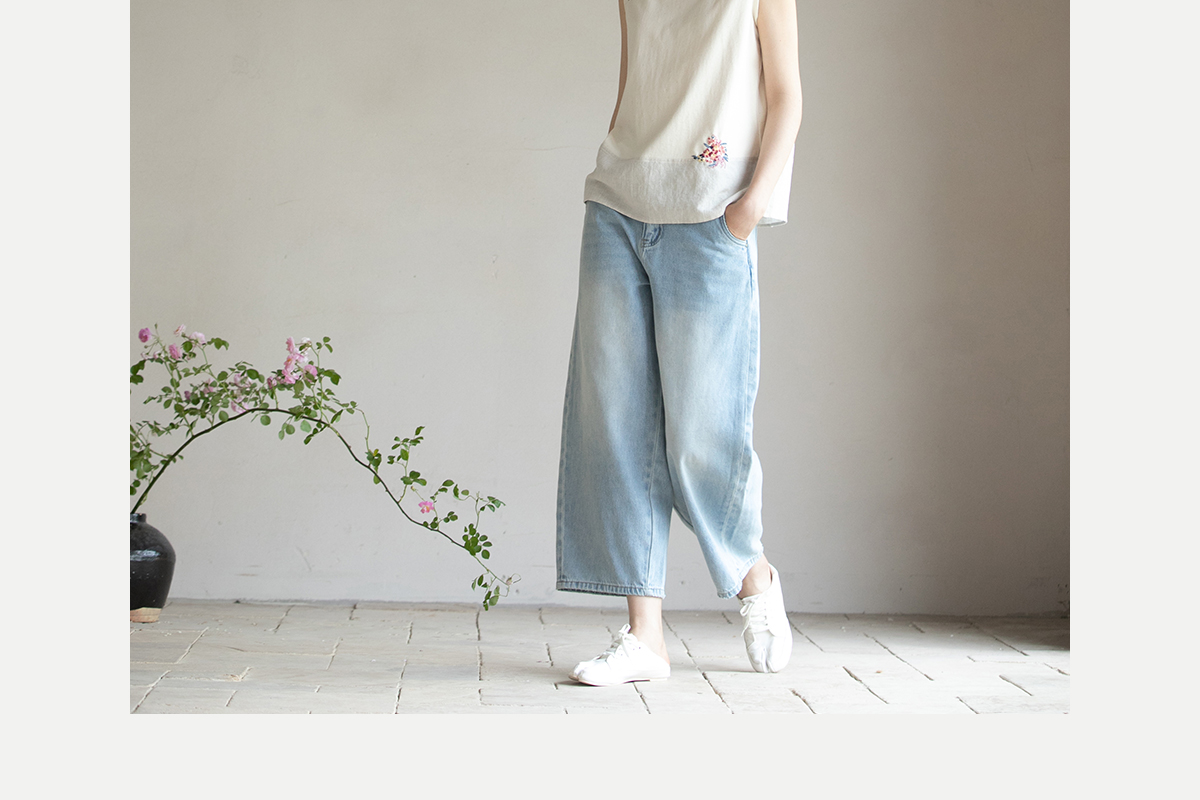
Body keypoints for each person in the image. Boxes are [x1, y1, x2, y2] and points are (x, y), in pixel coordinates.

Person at [556, 0, 803, 686]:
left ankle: (753, 573)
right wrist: (618, 156)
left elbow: (787, 95)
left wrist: (750, 207)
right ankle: (645, 637)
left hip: (712, 209)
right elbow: (637, 81)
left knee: (700, 429)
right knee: (615, 422)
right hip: (619, 204)